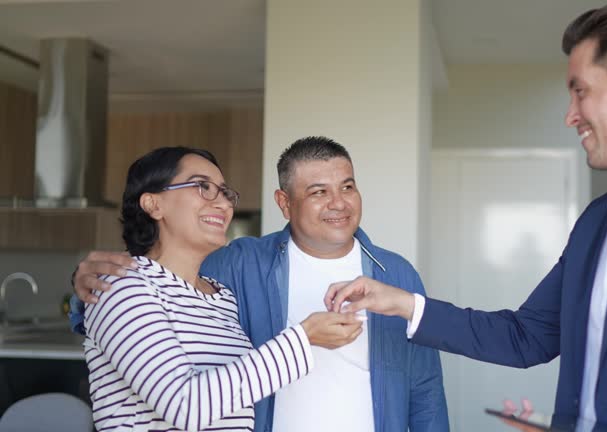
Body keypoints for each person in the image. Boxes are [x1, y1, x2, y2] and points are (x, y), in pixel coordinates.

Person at [324, 1, 607, 430]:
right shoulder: (597, 222)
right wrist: (401, 303)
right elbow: (526, 336)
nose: (570, 115)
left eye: (581, 91)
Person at [71, 137, 449, 432]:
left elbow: (426, 388)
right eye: (318, 191)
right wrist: (85, 289)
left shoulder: (396, 274)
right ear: (285, 203)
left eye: (347, 187)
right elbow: (145, 280)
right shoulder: (237, 264)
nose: (339, 203)